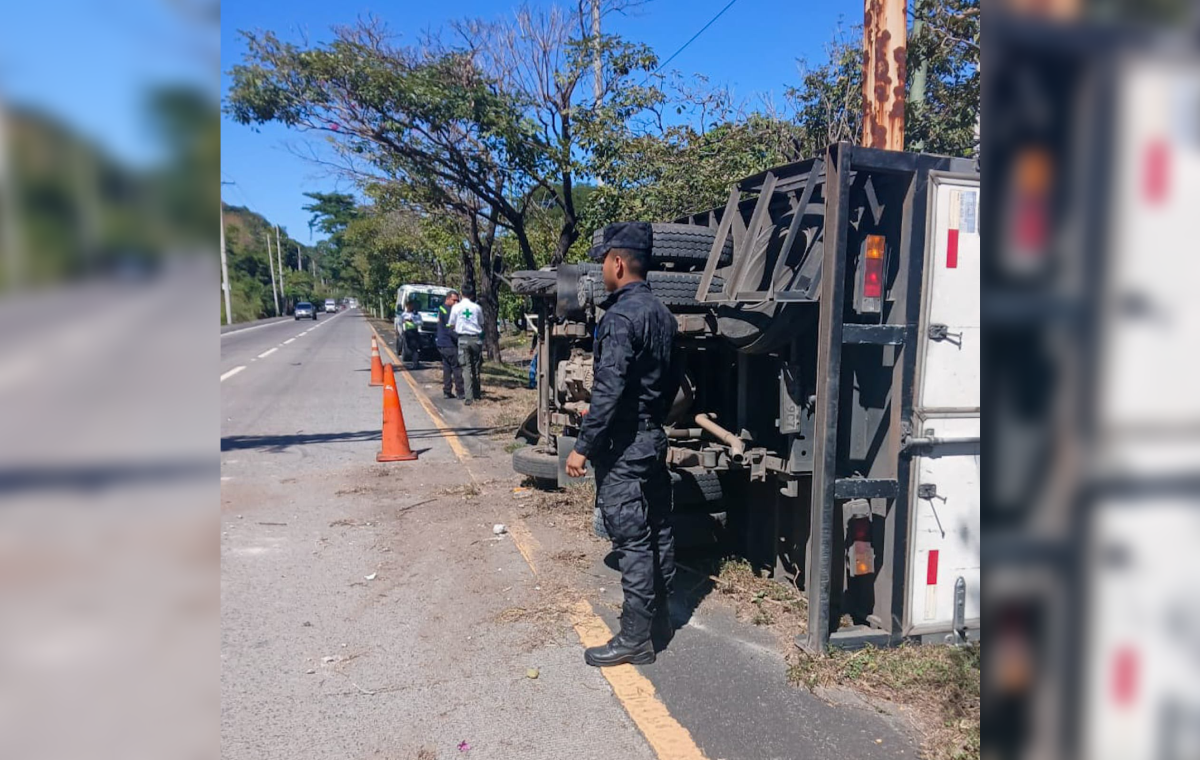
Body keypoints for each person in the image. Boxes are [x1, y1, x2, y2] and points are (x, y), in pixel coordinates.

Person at [564, 222, 678, 667]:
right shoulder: (664, 315)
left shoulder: (619, 318)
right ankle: (660, 623)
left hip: (625, 446)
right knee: (660, 532)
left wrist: (583, 447)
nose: (602, 271)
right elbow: (670, 383)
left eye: (603, 263)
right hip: (652, 438)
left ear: (616, 263)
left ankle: (635, 640)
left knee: (631, 539)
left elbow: (608, 390)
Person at [448, 285, 484, 405]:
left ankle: (469, 397)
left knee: (466, 368)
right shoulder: (477, 308)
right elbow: (481, 323)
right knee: (476, 367)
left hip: (463, 339)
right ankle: (477, 394)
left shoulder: (456, 307)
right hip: (476, 339)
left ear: (461, 293)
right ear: (472, 295)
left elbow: (451, 323)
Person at [437, 291, 464, 400]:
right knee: (456, 368)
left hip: (441, 343)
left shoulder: (442, 308)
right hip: (449, 344)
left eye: (458, 300)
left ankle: (447, 391)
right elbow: (451, 330)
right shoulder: (448, 311)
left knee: (447, 368)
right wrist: (460, 339)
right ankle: (460, 392)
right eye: (454, 300)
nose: (456, 302)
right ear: (448, 299)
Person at [400, 300, 421, 369]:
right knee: (409, 347)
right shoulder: (404, 314)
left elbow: (420, 322)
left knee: (414, 348)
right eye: (408, 305)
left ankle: (416, 363)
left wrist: (413, 321)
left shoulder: (416, 314)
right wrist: (404, 321)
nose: (410, 307)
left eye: (411, 305)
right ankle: (414, 362)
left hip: (414, 332)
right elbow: (400, 323)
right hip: (407, 332)